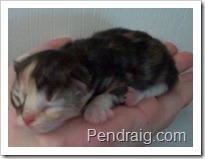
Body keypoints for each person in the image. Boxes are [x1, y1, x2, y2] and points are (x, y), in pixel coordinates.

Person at [8, 38, 193, 147]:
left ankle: (147, 92)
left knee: (162, 81)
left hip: (149, 64)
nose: (26, 119)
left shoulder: (95, 78)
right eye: (18, 99)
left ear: (82, 90)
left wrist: (103, 101)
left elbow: (118, 84)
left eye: (48, 107)